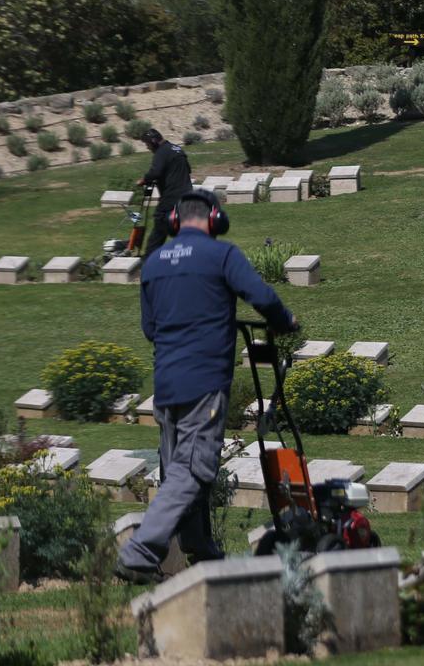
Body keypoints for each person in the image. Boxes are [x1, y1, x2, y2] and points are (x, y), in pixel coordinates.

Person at [116, 189, 298, 584]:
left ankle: (202, 549)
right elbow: (262, 296)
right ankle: (140, 551)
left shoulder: (153, 264)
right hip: (204, 382)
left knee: (178, 471)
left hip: (165, 387)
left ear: (176, 222)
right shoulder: (223, 255)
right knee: (194, 472)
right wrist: (285, 321)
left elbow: (150, 329)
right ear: (214, 219)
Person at [137, 128, 193, 256]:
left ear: (154, 141)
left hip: (171, 198)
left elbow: (156, 172)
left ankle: (149, 260)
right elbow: (187, 170)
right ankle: (191, 256)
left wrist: (144, 180)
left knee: (159, 231)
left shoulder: (161, 152)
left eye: (148, 145)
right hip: (188, 196)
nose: (148, 148)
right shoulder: (176, 149)